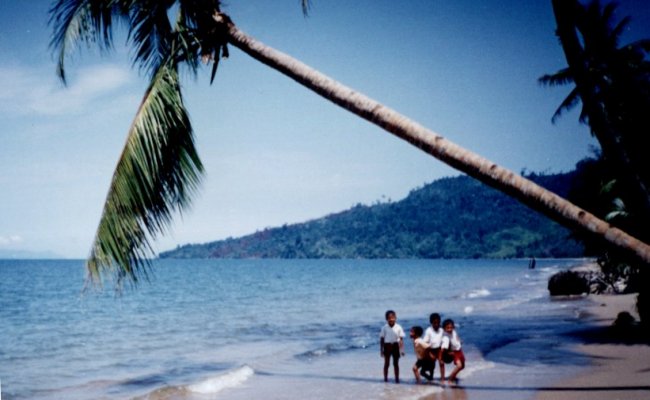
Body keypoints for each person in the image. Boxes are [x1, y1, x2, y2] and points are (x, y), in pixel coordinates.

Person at [379, 309, 405, 383]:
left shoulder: (399, 327)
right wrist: (381, 350)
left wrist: (402, 350)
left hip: (396, 346)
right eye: (389, 318)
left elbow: (401, 339)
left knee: (396, 364)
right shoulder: (384, 328)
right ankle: (385, 379)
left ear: (395, 318)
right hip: (387, 346)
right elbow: (382, 339)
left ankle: (397, 379)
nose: (391, 319)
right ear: (386, 319)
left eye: (393, 317)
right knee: (386, 363)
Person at [440, 318, 465, 383]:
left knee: (462, 366)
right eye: (447, 328)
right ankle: (450, 379)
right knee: (459, 366)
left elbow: (456, 337)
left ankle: (453, 376)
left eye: (451, 327)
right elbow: (443, 349)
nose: (449, 329)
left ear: (453, 327)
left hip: (460, 350)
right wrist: (442, 357)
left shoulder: (453, 331)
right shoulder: (446, 337)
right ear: (444, 329)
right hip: (455, 352)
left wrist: (459, 341)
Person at [423, 313, 444, 381]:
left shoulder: (442, 330)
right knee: (432, 365)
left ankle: (442, 379)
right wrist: (428, 353)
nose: (436, 324)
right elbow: (425, 343)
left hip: (440, 349)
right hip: (431, 349)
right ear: (431, 323)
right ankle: (431, 377)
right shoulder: (428, 331)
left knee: (441, 363)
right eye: (434, 323)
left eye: (438, 322)